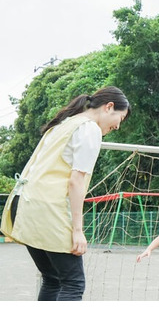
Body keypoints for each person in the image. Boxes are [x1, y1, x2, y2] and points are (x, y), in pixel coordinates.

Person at [0, 86, 131, 301]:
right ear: (109, 107)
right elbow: (76, 182)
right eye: (121, 117)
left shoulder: (64, 123)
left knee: (52, 278)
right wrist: (77, 230)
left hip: (24, 203)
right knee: (73, 283)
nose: (118, 125)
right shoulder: (89, 129)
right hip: (48, 209)